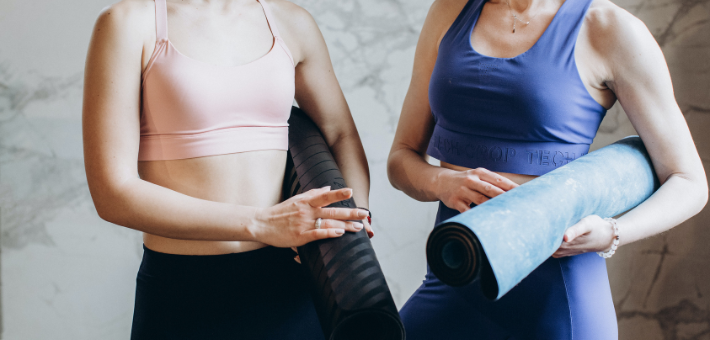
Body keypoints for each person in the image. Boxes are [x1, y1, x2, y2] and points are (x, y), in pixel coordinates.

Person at [387, 0, 707, 338]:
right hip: (454, 280)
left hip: (559, 296)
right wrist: (442, 183)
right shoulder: (450, 11)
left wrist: (612, 232)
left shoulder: (608, 27)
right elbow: (401, 157)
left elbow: (688, 180)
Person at [82, 0, 372, 338]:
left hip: (293, 286)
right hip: (183, 294)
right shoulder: (128, 23)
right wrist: (261, 223)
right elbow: (112, 193)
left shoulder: (291, 22)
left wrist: (353, 224)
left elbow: (341, 134)